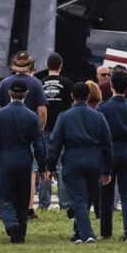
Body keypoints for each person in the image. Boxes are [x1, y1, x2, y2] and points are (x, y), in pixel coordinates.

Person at [44, 82, 111, 244]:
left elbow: (55, 143)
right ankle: (78, 232)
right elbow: (107, 144)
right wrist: (107, 169)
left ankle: (87, 234)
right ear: (88, 96)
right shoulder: (99, 116)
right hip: (94, 160)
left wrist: (50, 166)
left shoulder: (64, 116)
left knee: (79, 199)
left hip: (73, 159)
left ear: (72, 96)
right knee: (86, 199)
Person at [0, 79, 46, 244]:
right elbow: (39, 145)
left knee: (5, 196)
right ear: (26, 94)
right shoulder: (32, 116)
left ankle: (12, 223)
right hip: (24, 158)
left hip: (4, 158)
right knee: (23, 196)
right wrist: (42, 167)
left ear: (9, 94)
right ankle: (21, 233)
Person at [0, 51, 49, 217]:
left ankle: (4, 206)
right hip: (28, 133)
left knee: (3, 171)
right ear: (31, 66)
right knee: (31, 172)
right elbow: (42, 111)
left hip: (6, 135)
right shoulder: (36, 84)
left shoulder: (4, 83)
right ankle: (28, 208)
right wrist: (39, 129)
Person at [98, 71, 127, 240]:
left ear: (111, 85)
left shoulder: (103, 107)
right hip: (126, 151)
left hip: (108, 152)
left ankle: (106, 231)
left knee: (106, 194)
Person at [38, 53, 73, 212]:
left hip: (45, 129)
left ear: (47, 65)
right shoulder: (67, 84)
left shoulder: (40, 84)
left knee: (45, 165)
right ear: (61, 66)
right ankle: (65, 204)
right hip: (63, 130)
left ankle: (43, 204)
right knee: (62, 166)